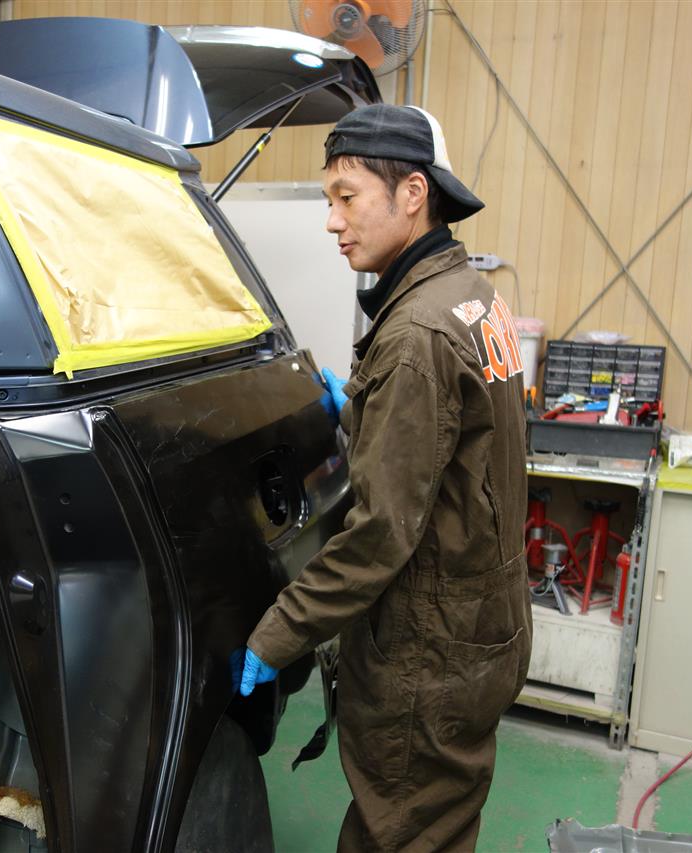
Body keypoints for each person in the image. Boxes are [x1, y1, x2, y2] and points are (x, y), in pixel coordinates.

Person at [234, 104, 532, 851]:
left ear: (411, 194)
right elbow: (450, 459)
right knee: (437, 821)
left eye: (346, 196)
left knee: (399, 832)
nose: (332, 221)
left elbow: (379, 536)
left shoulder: (414, 335)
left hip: (430, 652)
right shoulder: (471, 295)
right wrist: (358, 412)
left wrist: (277, 634)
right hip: (484, 629)